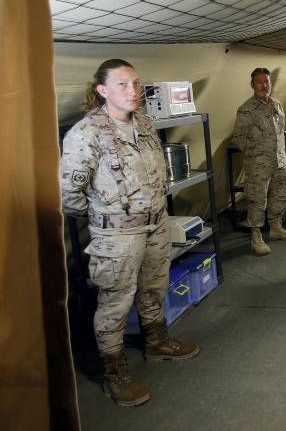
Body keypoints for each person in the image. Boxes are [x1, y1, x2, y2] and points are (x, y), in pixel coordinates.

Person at [60, 59, 199, 407]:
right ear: (102, 90)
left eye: (136, 83)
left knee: (154, 288)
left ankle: (157, 342)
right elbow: (68, 196)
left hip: (155, 225)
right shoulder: (86, 133)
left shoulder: (145, 124)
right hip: (117, 237)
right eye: (122, 84)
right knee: (115, 303)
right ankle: (114, 373)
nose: (133, 91)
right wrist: (106, 217)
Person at [231, 67, 286, 256]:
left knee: (279, 194)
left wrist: (282, 139)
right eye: (259, 82)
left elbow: (277, 130)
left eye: (266, 81)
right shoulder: (246, 109)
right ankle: (256, 236)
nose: (264, 85)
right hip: (258, 164)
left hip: (279, 160)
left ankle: (276, 228)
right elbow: (238, 137)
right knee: (257, 199)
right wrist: (256, 152)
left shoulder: (277, 104)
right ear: (252, 85)